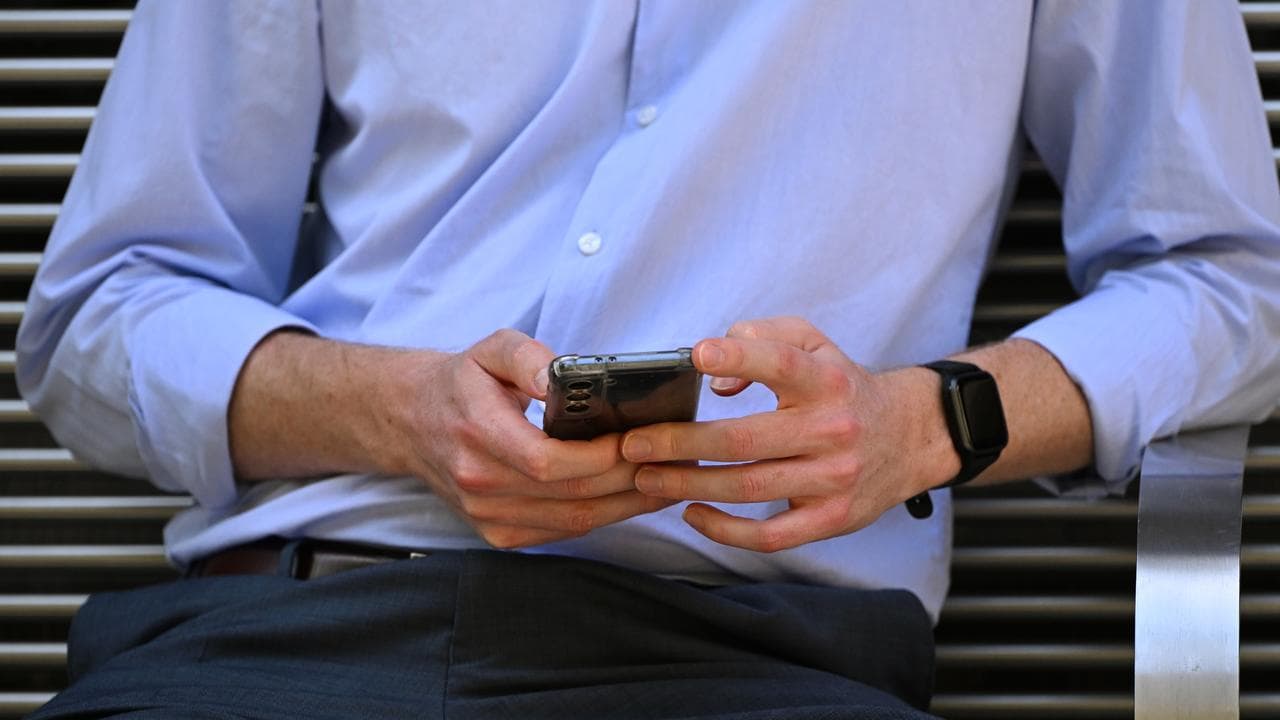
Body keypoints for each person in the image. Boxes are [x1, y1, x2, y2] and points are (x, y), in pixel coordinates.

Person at [15, 1, 1280, 718]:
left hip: (756, 665)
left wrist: (931, 421)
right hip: (282, 645)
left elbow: (1232, 277)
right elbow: (99, 310)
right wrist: (398, 411)